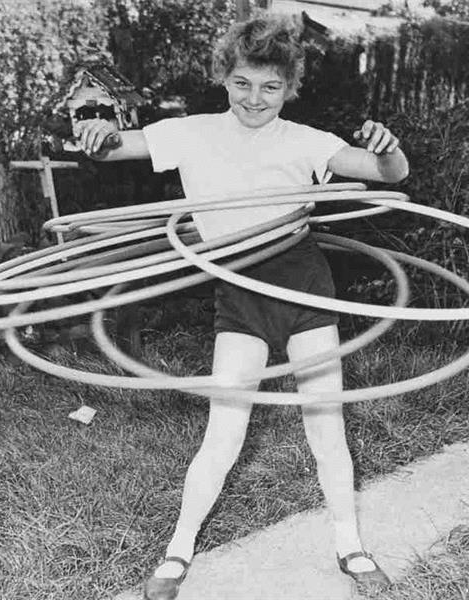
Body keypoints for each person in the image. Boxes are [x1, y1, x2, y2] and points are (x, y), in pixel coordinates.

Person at [77, 14, 409, 600]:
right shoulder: (191, 133)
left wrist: (390, 149)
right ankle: (178, 550)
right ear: (224, 78)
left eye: (270, 87)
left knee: (325, 423)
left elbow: (386, 173)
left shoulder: (306, 141)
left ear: (289, 87)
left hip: (304, 289)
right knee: (224, 430)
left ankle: (351, 546)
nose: (255, 99)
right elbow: (113, 149)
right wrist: (98, 132)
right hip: (239, 296)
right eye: (242, 84)